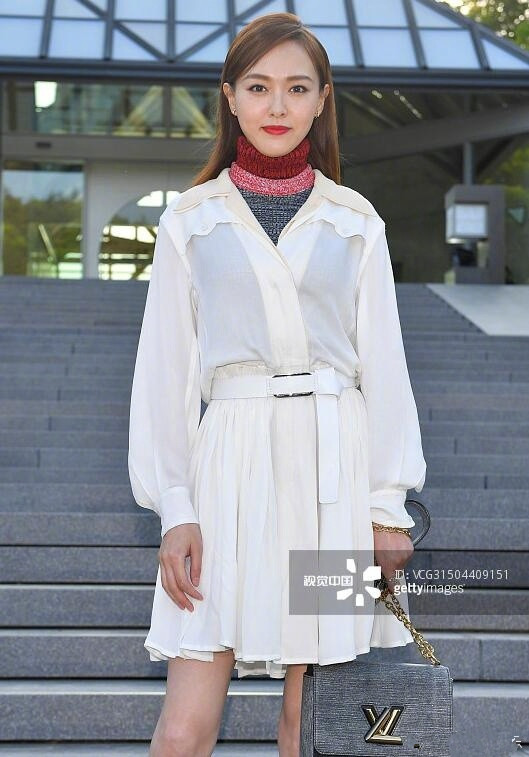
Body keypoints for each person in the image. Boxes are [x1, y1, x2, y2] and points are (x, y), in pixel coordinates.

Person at [128, 11, 427, 757]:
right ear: (230, 97)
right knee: (185, 726)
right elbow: (164, 375)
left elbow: (385, 368)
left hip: (334, 478)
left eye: (297, 88)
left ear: (322, 100)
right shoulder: (189, 221)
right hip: (226, 470)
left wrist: (385, 509)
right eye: (258, 87)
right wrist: (175, 509)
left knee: (311, 724)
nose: (277, 106)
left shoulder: (356, 221)